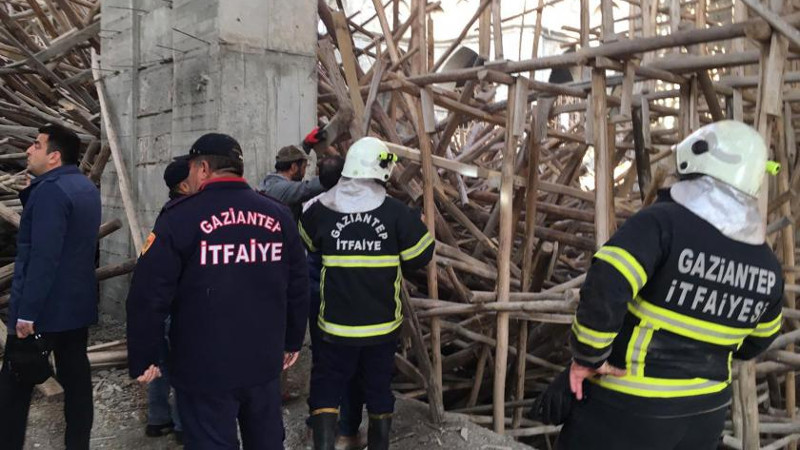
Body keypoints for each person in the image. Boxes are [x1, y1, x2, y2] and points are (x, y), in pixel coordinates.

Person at [541, 121, 784, 450]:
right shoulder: (768, 265)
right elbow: (757, 342)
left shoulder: (661, 223)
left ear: (696, 160)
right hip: (706, 413)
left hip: (630, 406)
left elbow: (608, 282)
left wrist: (588, 356)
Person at [126, 133, 310, 449]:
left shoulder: (179, 217)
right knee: (266, 440)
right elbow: (297, 282)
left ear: (203, 169)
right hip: (262, 360)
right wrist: (292, 340)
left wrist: (144, 355)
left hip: (203, 365)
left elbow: (148, 293)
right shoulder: (277, 214)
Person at [299, 137, 434, 450]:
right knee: (377, 390)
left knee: (326, 387)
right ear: (381, 170)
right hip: (381, 327)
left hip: (335, 327)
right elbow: (421, 257)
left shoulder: (319, 210)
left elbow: (309, 242)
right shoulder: (398, 214)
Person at [0, 124, 101, 450]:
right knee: (76, 380)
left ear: (54, 157)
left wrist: (26, 313)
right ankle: (78, 444)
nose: (29, 150)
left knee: (13, 389)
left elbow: (43, 257)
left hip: (42, 311)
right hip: (76, 306)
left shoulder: (51, 192)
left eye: (36, 145)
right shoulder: (84, 187)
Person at [302, 155, 367, 449]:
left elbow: (308, 248)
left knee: (323, 362)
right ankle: (348, 432)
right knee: (353, 364)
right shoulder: (364, 207)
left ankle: (318, 428)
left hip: (319, 295)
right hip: (351, 296)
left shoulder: (312, 208)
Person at [144, 159, 190, 443]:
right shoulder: (185, 217)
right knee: (183, 365)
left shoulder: (167, 215)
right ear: (184, 185)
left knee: (161, 363)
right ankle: (183, 426)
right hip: (176, 305)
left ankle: (158, 419)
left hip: (159, 304)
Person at [259, 144, 326, 220]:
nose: (304, 173)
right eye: (304, 167)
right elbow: (308, 188)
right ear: (294, 167)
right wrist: (332, 174)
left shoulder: (271, 182)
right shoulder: (281, 188)